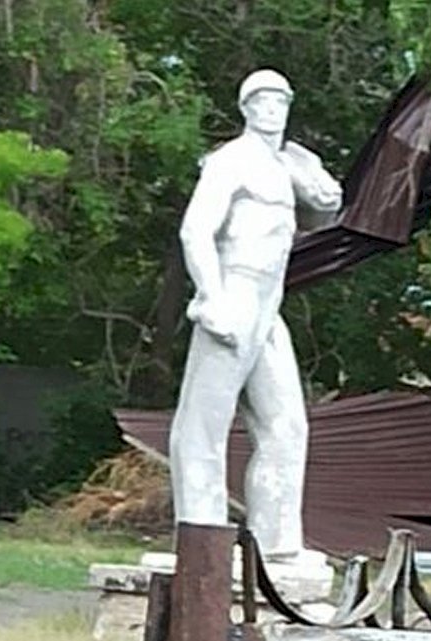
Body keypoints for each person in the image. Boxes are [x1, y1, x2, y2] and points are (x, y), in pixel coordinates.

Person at [168, 69, 343, 561]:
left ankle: (276, 544)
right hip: (235, 290)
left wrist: (313, 175)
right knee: (203, 423)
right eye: (262, 102)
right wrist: (212, 297)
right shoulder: (231, 160)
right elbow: (195, 231)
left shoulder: (283, 165)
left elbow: (324, 214)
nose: (272, 111)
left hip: (269, 302)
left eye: (281, 102)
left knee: (286, 426)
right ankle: (200, 537)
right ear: (246, 108)